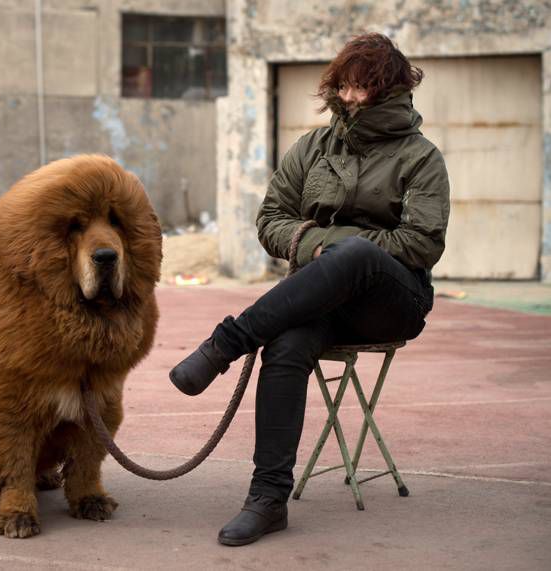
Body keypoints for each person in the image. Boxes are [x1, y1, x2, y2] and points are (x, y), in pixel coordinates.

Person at [169, 33, 450, 547]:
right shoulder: (312, 148)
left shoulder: (421, 157)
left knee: (359, 255)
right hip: (319, 298)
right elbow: (270, 221)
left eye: (362, 87)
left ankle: (227, 344)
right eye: (342, 85)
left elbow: (422, 243)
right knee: (287, 342)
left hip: (392, 303)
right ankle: (268, 499)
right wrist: (319, 247)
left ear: (391, 89)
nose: (348, 97)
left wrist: (340, 246)